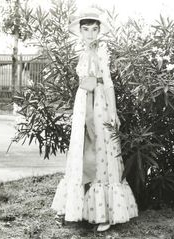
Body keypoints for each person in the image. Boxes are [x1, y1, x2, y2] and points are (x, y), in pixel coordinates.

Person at [51, 7, 138, 232]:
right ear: (80, 31)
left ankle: (104, 212)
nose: (90, 34)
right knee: (81, 149)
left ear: (99, 31)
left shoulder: (102, 49)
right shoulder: (80, 49)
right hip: (83, 103)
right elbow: (82, 80)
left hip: (99, 103)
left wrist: (113, 111)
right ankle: (77, 207)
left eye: (94, 29)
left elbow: (107, 82)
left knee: (101, 150)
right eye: (86, 29)